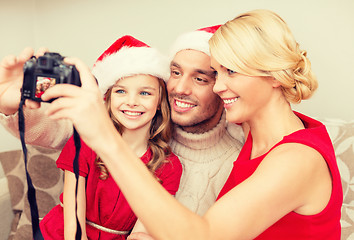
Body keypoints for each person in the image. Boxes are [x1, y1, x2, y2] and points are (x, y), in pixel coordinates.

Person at [41, 9, 342, 239]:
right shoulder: (256, 129)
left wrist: (107, 140)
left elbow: (203, 235)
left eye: (231, 72)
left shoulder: (297, 160)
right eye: (217, 73)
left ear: (275, 76)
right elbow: (59, 132)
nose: (219, 87)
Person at [0, 26, 244, 218]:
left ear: (222, 86)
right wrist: (8, 101)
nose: (180, 88)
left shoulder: (237, 162)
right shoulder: (128, 125)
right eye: (175, 73)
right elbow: (57, 128)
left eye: (200, 79)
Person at [38, 35, 182, 239]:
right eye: (121, 91)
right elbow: (73, 224)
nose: (132, 102)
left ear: (160, 100)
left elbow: (142, 231)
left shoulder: (169, 166)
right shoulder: (85, 142)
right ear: (108, 97)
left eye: (145, 93)